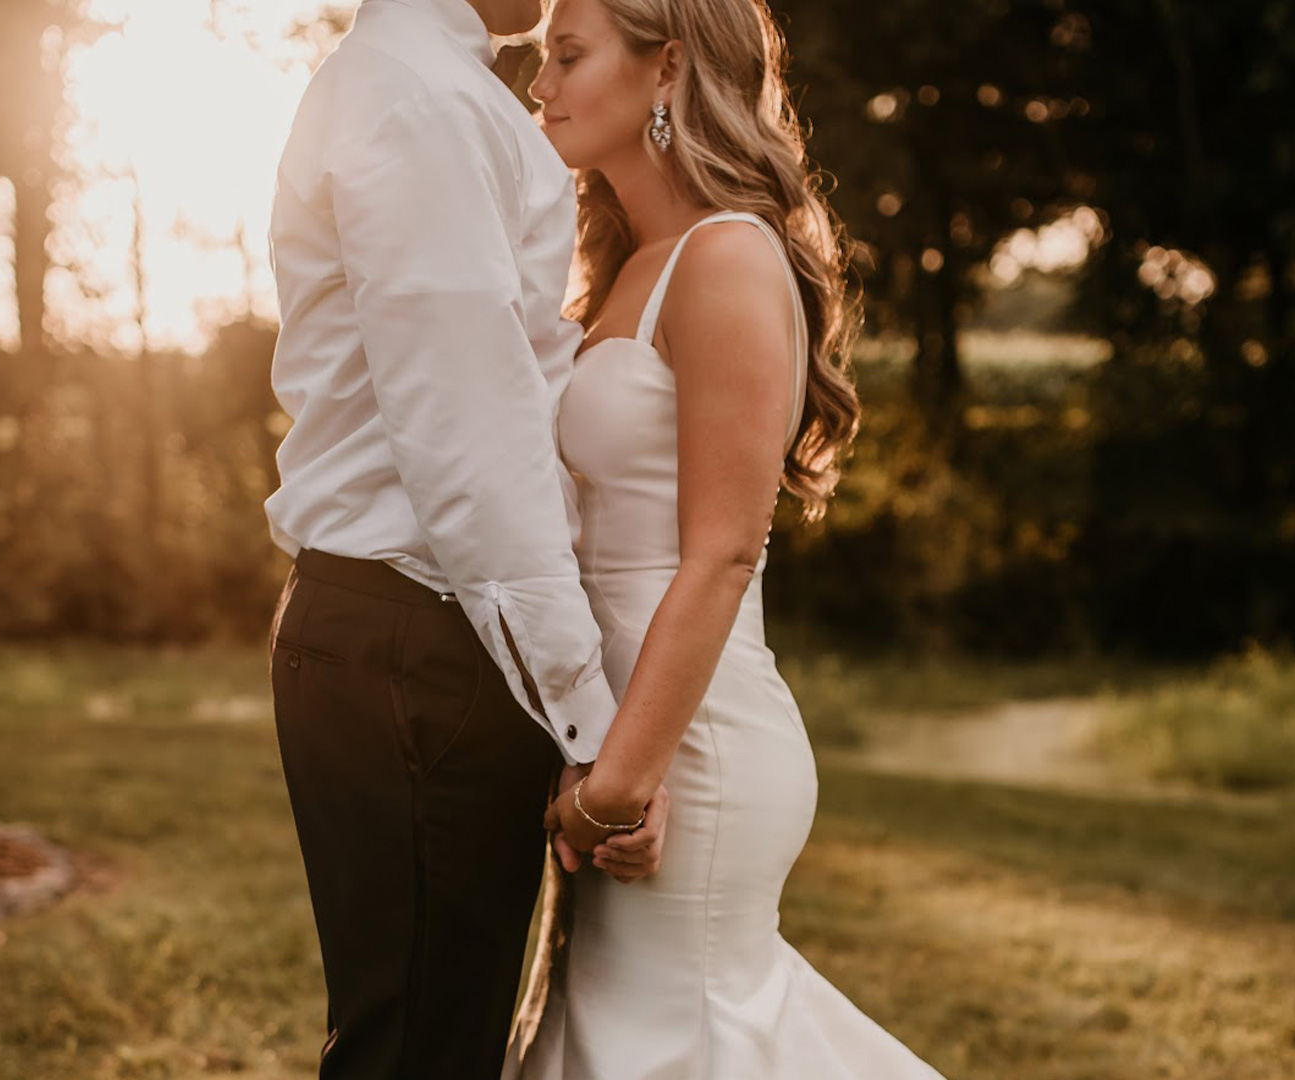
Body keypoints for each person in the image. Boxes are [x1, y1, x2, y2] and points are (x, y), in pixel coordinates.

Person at [500, 0, 950, 1076]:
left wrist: (613, 787)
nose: (538, 85)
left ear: (666, 69)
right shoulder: (627, 268)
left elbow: (721, 553)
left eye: (567, 55)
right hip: (619, 745)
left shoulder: (726, 257)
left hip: (687, 759)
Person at [262, 1, 669, 1078]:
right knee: (419, 1053)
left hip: (418, 633)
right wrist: (589, 721)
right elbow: (471, 433)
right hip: (419, 641)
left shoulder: (429, 86)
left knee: (428, 1039)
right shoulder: (420, 101)